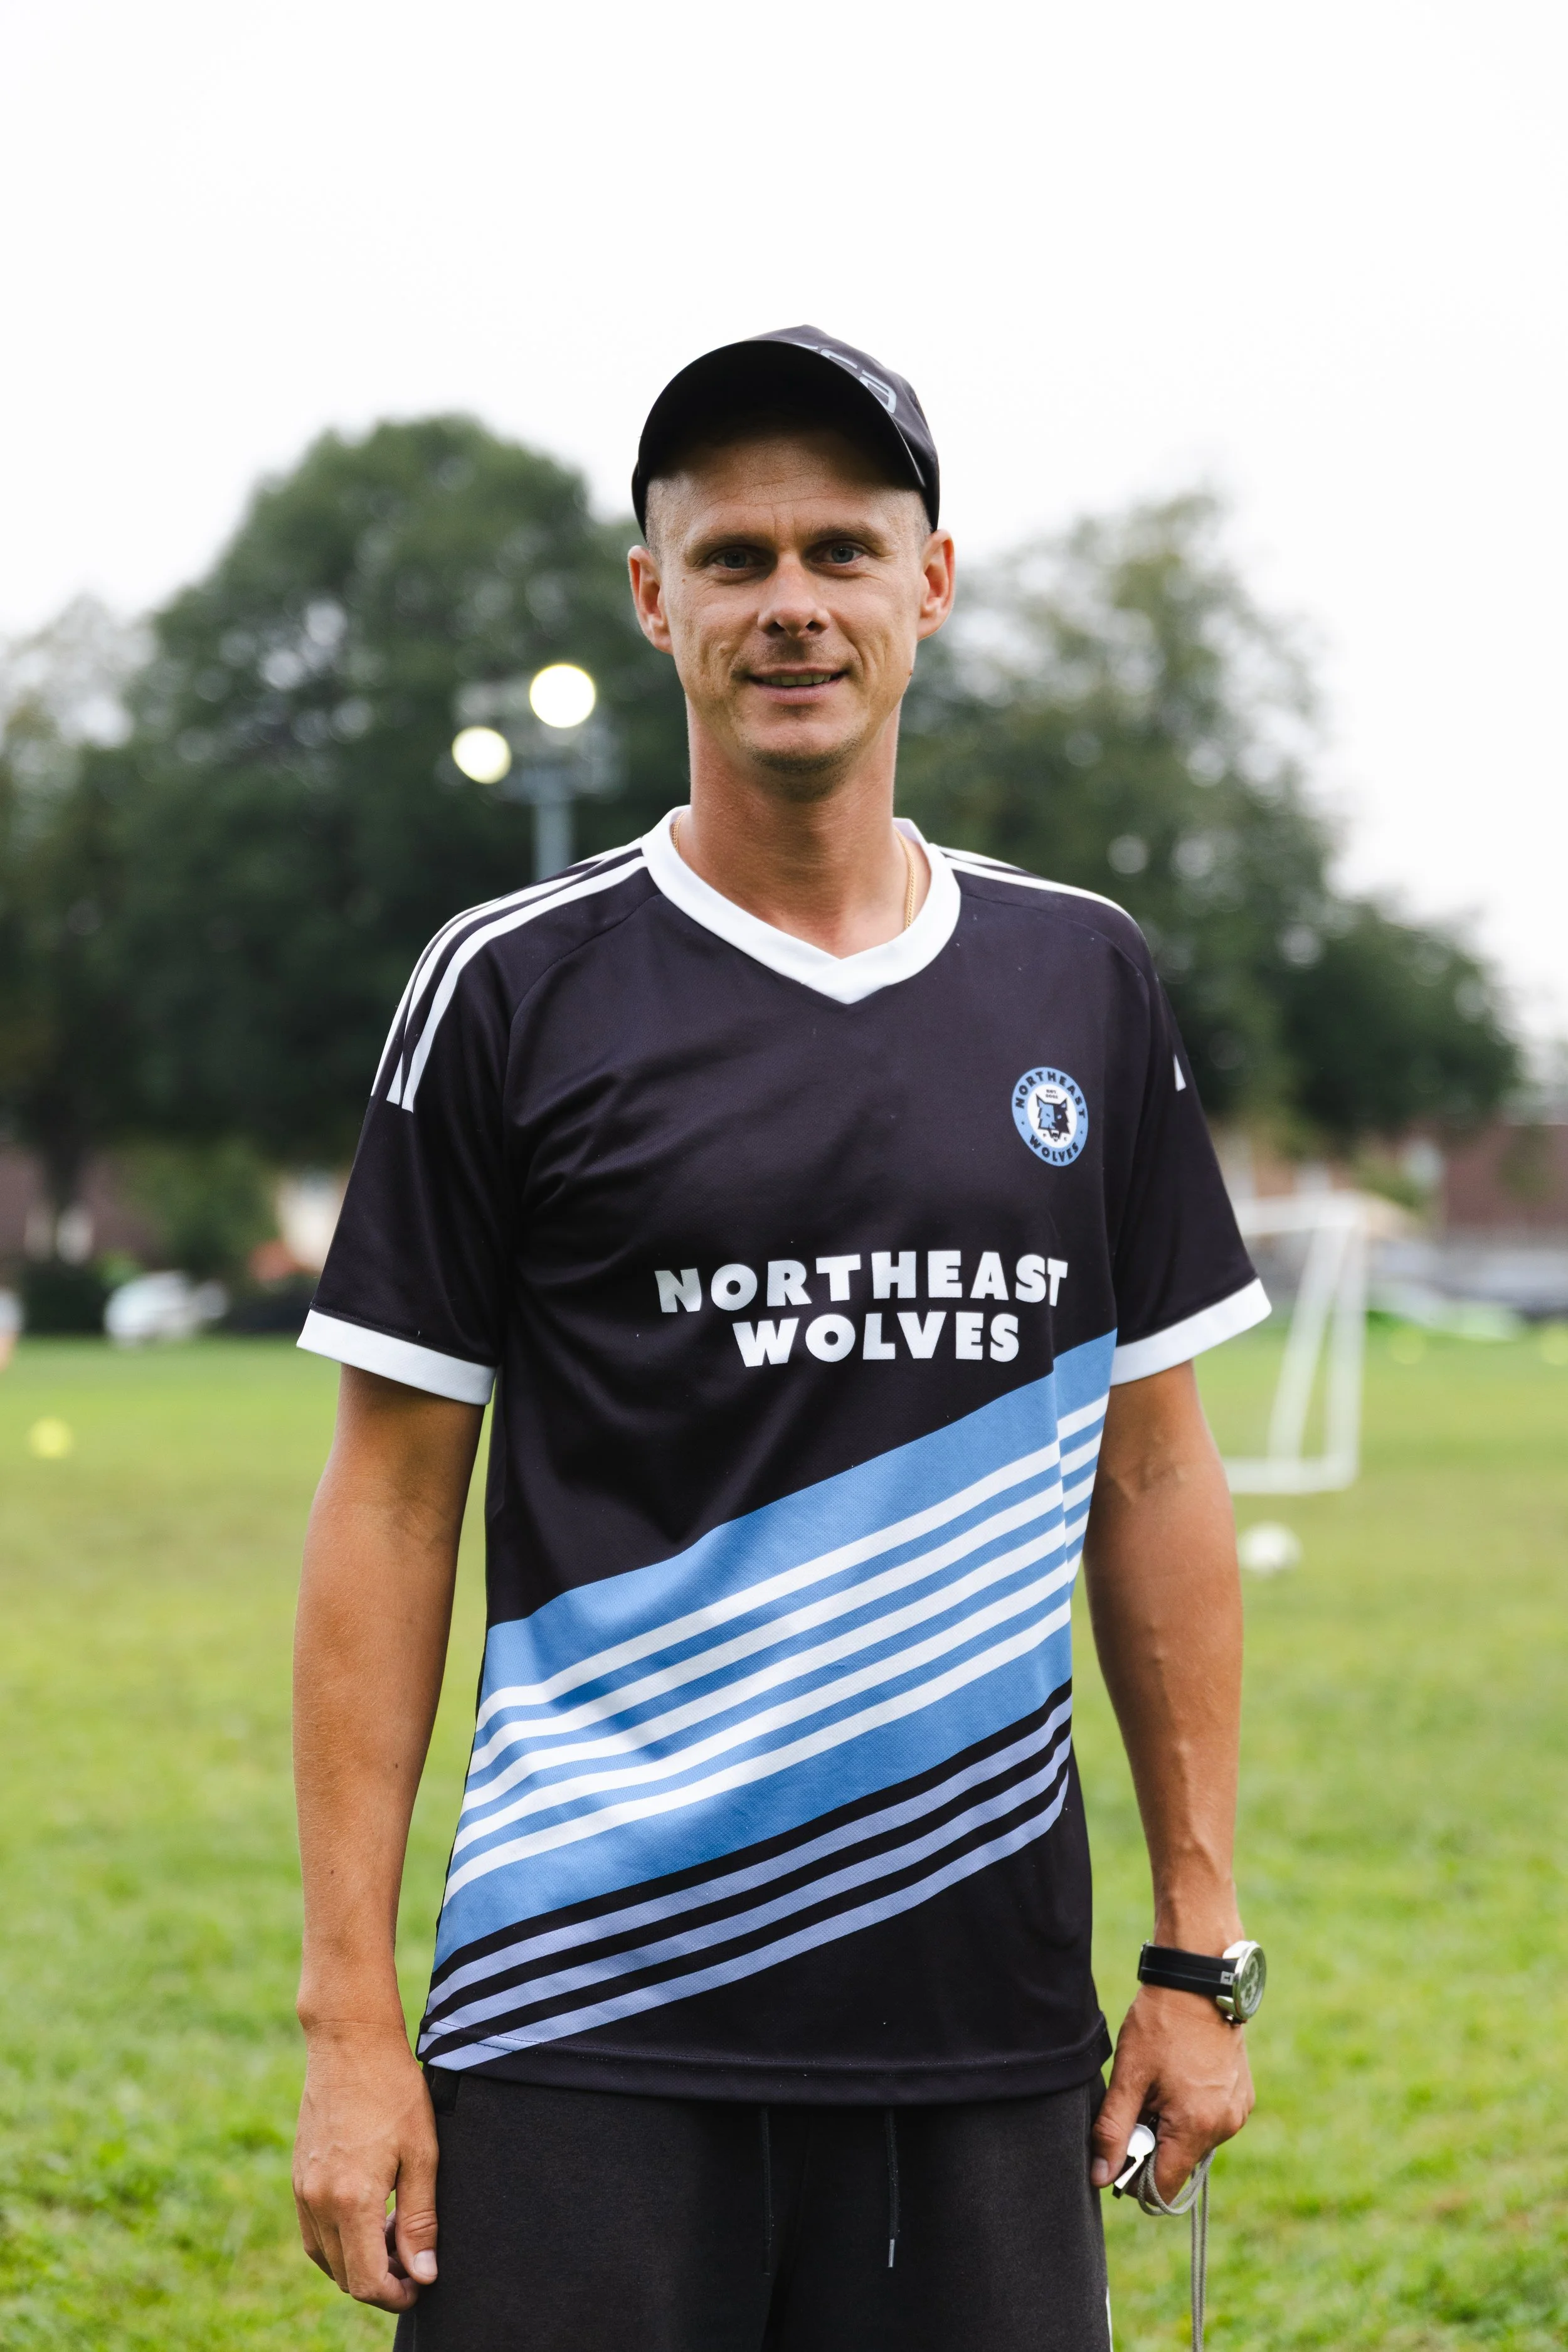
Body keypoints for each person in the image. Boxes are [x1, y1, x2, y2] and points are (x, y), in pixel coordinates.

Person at [290, 327, 1269, 2351]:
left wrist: (1198, 1945)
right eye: (732, 557)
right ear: (654, 600)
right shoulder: (508, 988)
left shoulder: (1078, 980)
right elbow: (386, 1510)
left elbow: (1155, 1468)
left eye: (842, 548)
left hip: (980, 2018)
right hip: (582, 2007)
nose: (790, 602)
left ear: (932, 580)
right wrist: (351, 2020)